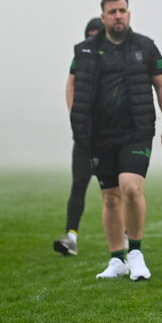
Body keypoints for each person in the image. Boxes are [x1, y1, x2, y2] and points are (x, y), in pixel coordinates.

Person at [67, 0, 162, 281]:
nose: (118, 16)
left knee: (130, 188)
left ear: (129, 14)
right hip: (100, 134)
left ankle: (136, 253)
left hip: (137, 131)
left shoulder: (146, 47)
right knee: (110, 197)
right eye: (112, 11)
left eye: (123, 10)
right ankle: (116, 258)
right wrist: (78, 121)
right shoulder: (85, 51)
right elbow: (73, 87)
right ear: (103, 17)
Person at [54, 17, 104, 256]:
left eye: (96, 34)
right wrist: (76, 116)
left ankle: (124, 238)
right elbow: (70, 86)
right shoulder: (80, 57)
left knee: (113, 191)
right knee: (79, 185)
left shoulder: (114, 58)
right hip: (85, 136)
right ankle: (71, 237)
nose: (92, 38)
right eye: (89, 34)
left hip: (110, 135)